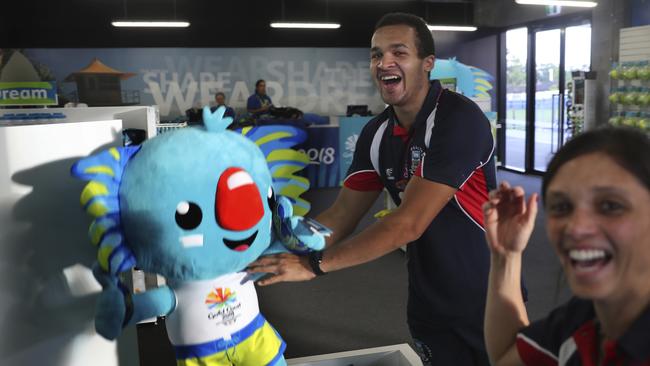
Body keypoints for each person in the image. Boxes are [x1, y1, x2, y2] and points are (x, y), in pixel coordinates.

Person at [248, 12, 498, 365]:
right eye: (376, 54)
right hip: (428, 299)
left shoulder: (459, 119)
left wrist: (314, 264)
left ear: (428, 64)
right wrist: (280, 246)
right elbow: (341, 214)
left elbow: (407, 223)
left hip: (487, 297)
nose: (385, 62)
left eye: (399, 53)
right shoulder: (377, 134)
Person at [483, 126, 650, 365]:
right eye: (562, 207)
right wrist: (506, 256)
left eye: (611, 206)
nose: (576, 227)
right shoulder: (584, 318)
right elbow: (508, 357)